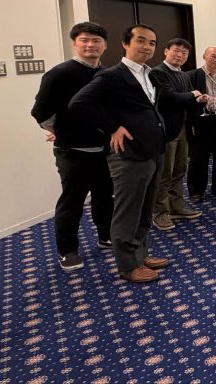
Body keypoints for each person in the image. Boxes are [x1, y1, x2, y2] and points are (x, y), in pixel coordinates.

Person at [69, 24, 169, 284]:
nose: (147, 47)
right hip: (129, 155)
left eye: (152, 43)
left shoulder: (149, 74)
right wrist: (112, 127)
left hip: (152, 149)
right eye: (141, 41)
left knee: (145, 209)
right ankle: (128, 265)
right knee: (128, 211)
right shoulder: (112, 75)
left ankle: (140, 254)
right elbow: (78, 103)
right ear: (125, 44)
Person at [31, 21, 114, 272]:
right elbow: (40, 111)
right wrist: (59, 131)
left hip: (104, 148)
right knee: (72, 201)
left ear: (105, 45)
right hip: (73, 151)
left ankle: (106, 235)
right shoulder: (60, 73)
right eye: (84, 40)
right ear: (74, 44)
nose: (90, 45)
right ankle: (67, 250)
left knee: (104, 196)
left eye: (96, 41)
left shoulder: (107, 73)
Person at [148, 38, 205, 231]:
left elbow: (188, 100)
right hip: (166, 130)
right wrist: (193, 94)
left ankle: (176, 206)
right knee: (164, 173)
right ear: (166, 51)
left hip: (183, 128)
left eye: (184, 53)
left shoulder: (182, 75)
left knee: (180, 169)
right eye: (176, 51)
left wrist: (199, 98)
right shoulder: (157, 72)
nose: (179, 55)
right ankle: (160, 213)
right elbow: (167, 97)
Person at [186, 46, 216, 203]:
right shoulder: (192, 76)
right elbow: (188, 101)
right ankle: (196, 191)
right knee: (199, 156)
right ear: (204, 56)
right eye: (213, 56)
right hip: (202, 120)